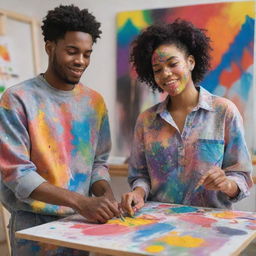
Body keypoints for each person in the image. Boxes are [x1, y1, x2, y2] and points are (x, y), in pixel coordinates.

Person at [0, 4, 120, 256]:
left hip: (80, 223)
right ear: (50, 47)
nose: (81, 61)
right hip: (32, 226)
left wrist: (105, 195)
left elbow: (98, 163)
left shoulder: (94, 102)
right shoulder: (17, 99)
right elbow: (18, 175)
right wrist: (83, 202)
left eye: (87, 54)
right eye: (72, 51)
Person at [121, 19, 253, 216]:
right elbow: (140, 176)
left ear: (190, 62)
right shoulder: (146, 121)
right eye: (157, 70)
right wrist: (138, 193)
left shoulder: (224, 112)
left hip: (212, 227)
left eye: (173, 63)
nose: (166, 74)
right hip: (158, 225)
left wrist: (227, 183)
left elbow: (242, 177)